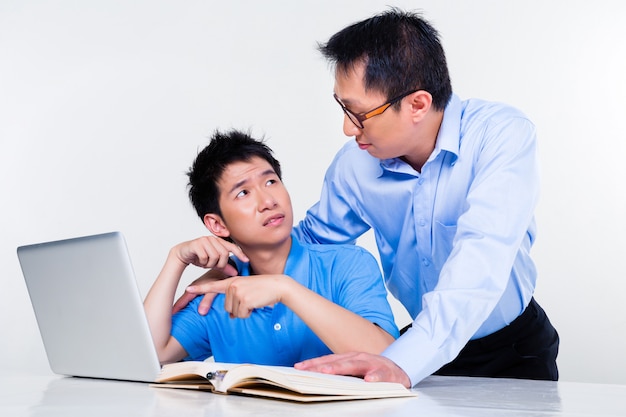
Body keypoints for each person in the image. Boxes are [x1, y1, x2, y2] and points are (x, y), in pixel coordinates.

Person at [179, 9, 559, 387]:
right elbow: (310, 241)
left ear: (417, 105)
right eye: (343, 108)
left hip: (510, 348)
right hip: (417, 346)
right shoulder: (356, 163)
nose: (348, 128)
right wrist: (238, 264)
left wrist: (405, 362)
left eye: (359, 113)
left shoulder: (502, 136)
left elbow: (480, 263)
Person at [143, 129, 398, 366]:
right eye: (243, 193)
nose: (267, 201)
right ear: (217, 224)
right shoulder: (217, 294)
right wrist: (176, 259)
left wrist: (285, 289)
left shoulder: (347, 265)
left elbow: (390, 360)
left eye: (271, 182)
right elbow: (150, 357)